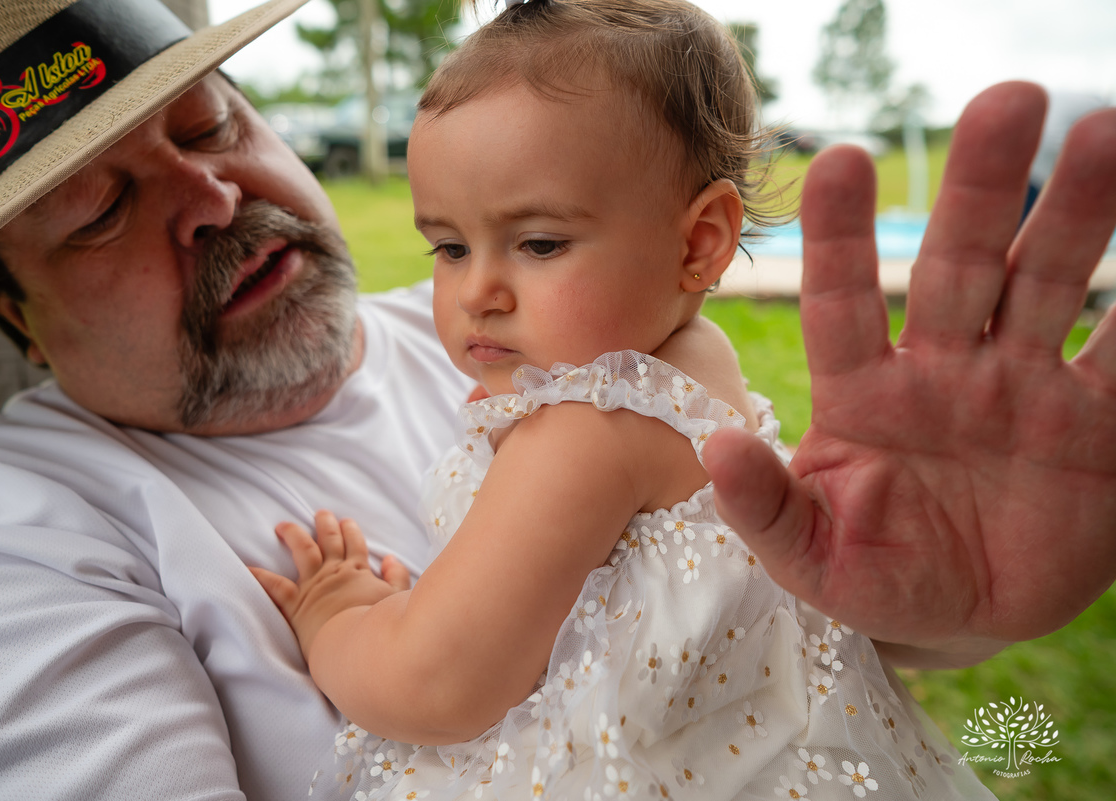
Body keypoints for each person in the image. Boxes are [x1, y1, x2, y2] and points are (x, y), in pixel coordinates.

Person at [0, 0, 1113, 798]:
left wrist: (963, 616)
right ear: (10, 312)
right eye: (102, 213)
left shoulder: (556, 383)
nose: (214, 195)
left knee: (1033, 744)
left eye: (210, 120)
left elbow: (788, 646)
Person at [246, 2, 994, 798]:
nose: (478, 291)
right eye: (451, 246)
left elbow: (434, 685)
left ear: (699, 242)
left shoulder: (588, 428)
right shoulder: (698, 363)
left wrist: (340, 616)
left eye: (539, 243)